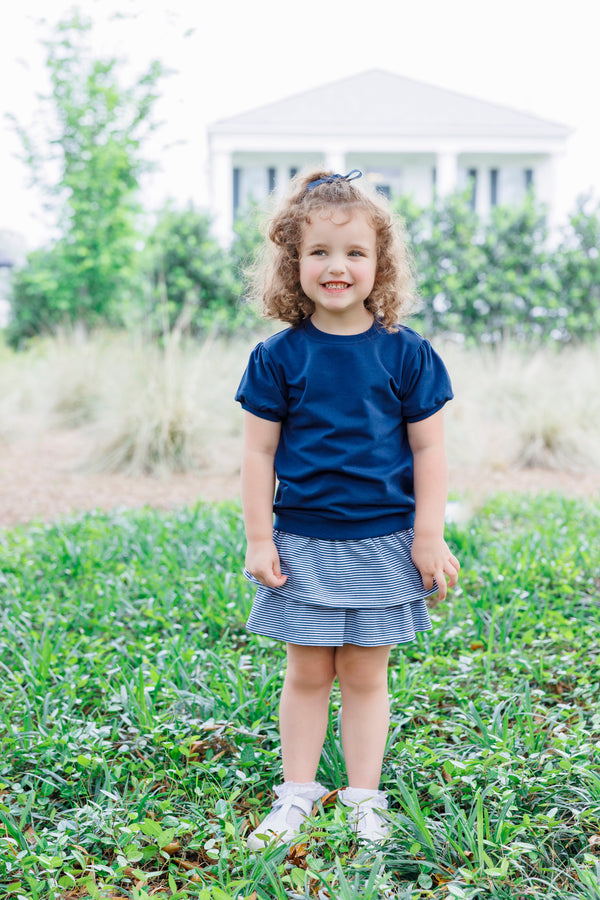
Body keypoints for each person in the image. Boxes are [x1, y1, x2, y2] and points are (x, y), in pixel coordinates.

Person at [235, 168, 459, 848]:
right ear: (293, 263)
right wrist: (257, 538)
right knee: (306, 671)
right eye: (320, 253)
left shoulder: (406, 353)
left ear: (379, 263)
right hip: (303, 541)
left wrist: (428, 536)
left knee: (364, 673)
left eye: (355, 253)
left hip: (386, 541)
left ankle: (364, 799)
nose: (337, 267)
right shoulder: (277, 358)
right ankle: (296, 795)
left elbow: (429, 452)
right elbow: (257, 456)